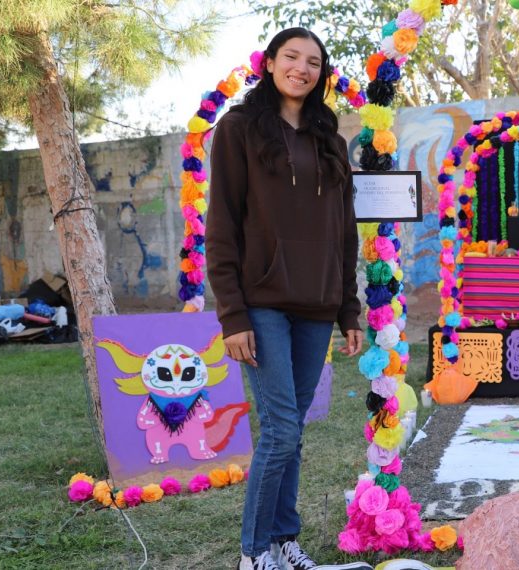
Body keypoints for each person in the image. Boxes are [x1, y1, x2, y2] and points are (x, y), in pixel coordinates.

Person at [206, 27, 366, 570]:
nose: (302, 68)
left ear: (322, 74)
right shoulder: (238, 129)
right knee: (279, 429)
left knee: (292, 431)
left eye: (314, 62)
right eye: (292, 57)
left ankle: (283, 542)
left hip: (317, 305)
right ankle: (253, 554)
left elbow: (345, 232)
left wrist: (348, 309)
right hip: (262, 303)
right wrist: (233, 315)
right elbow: (222, 226)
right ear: (270, 63)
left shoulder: (330, 140)